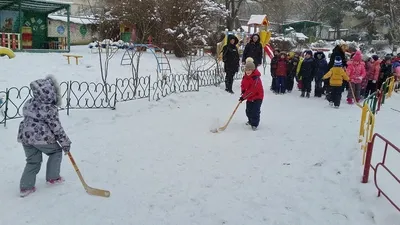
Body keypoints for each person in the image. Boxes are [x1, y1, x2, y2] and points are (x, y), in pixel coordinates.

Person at [17, 76, 71, 197]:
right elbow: (56, 127)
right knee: (56, 151)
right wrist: (65, 143)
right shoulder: (50, 108)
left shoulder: (30, 102)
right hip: (42, 138)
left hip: (25, 136)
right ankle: (53, 178)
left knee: (32, 161)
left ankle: (26, 187)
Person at [239, 61, 264, 131]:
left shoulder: (255, 79)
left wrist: (243, 97)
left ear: (253, 70)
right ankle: (250, 121)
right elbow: (243, 84)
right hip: (249, 97)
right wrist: (243, 91)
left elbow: (252, 90)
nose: (248, 71)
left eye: (249, 70)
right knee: (248, 111)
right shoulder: (245, 77)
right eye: (246, 70)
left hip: (257, 97)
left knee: (255, 111)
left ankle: (254, 124)